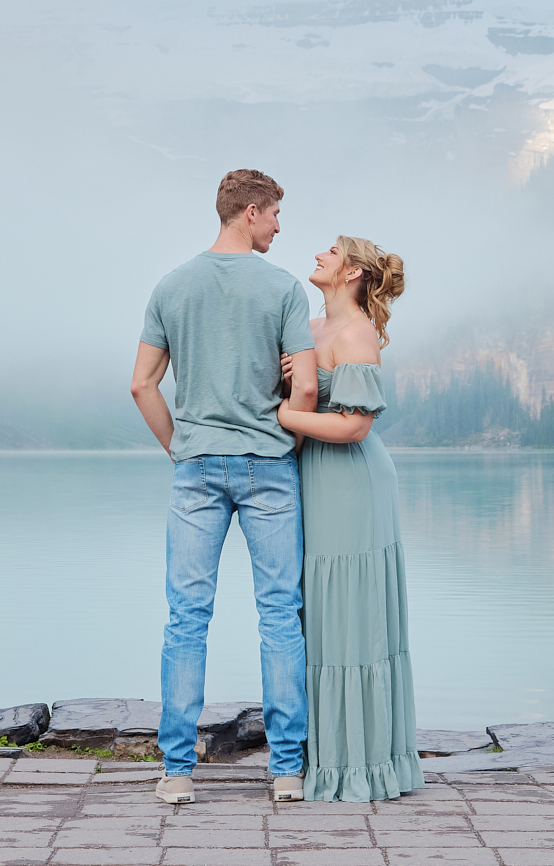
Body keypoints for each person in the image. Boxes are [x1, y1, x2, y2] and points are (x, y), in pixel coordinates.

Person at [131, 168, 318, 807]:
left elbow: (142, 386)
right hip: (269, 466)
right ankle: (287, 771)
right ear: (249, 211)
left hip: (197, 467)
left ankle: (177, 772)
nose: (276, 227)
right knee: (279, 616)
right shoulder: (285, 289)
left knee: (186, 619)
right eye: (273, 215)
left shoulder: (171, 286)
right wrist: (282, 446)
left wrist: (181, 446)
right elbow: (307, 391)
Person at [275, 235, 420, 802]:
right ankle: (324, 756)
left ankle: (359, 767)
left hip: (353, 482)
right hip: (314, 477)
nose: (318, 255)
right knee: (320, 609)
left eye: (331, 251)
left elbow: (356, 426)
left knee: (350, 615)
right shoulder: (309, 329)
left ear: (354, 271)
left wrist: (287, 412)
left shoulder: (358, 332)